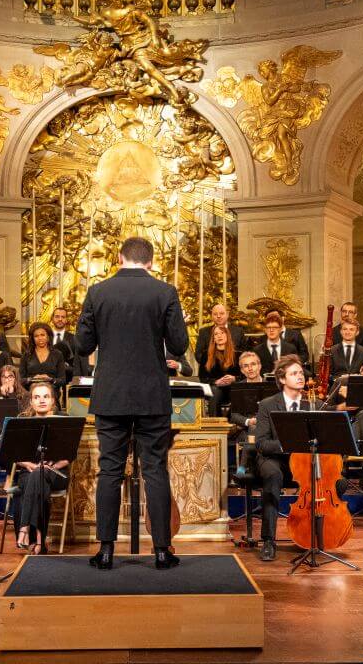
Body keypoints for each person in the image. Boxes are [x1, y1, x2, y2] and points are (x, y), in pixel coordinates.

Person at [76, 236, 188, 571]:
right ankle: (162, 550)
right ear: (150, 262)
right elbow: (179, 345)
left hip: (111, 394)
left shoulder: (98, 292)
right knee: (155, 469)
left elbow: (82, 345)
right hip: (152, 394)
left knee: (110, 470)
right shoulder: (165, 292)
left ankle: (106, 550)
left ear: (119, 257)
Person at [252, 356, 323, 561]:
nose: (300, 377)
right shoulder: (268, 405)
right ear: (282, 379)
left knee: (339, 482)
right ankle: (268, 540)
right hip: (275, 459)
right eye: (294, 374)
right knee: (273, 475)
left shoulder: (315, 404)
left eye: (301, 373)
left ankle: (313, 536)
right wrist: (288, 444)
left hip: (304, 460)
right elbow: (261, 443)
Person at [10, 381, 71, 555]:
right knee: (38, 478)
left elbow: (69, 456)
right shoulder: (23, 422)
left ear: (53, 400)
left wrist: (53, 466)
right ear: (31, 401)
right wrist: (28, 464)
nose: (41, 400)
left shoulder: (64, 421)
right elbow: (14, 454)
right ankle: (39, 540)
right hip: (29, 472)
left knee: (40, 475)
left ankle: (24, 528)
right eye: (37, 397)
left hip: (56, 473)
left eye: (46, 396)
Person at [199, 324, 241, 414]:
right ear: (213, 338)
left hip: (233, 388)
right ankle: (214, 421)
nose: (219, 336)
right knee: (215, 391)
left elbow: (245, 376)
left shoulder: (238, 355)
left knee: (238, 392)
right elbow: (202, 378)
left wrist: (234, 379)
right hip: (215, 388)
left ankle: (232, 420)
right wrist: (216, 382)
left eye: (222, 333)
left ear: (227, 336)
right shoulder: (206, 355)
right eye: (216, 334)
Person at [193, 303, 247, 373]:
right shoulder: (204, 332)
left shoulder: (238, 331)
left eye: (221, 313)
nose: (218, 316)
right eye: (215, 314)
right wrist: (212, 366)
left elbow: (244, 352)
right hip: (211, 372)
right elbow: (198, 354)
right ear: (211, 316)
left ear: (227, 315)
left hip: (234, 372)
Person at [20, 321, 69, 393]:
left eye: (42, 335)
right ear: (32, 338)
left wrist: (50, 379)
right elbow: (20, 380)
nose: (40, 338)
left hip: (52, 393)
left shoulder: (57, 354)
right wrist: (32, 379)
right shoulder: (26, 355)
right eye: (36, 336)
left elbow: (62, 380)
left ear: (48, 336)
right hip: (32, 393)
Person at [228, 351, 267, 431]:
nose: (250, 369)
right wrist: (248, 421)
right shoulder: (238, 387)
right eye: (246, 366)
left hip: (267, 425)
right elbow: (234, 415)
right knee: (253, 428)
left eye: (253, 364)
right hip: (247, 428)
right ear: (242, 370)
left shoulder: (270, 386)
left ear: (259, 366)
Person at [328, 319, 363, 387]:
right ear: (341, 331)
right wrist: (339, 380)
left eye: (351, 329)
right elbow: (327, 374)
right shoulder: (331, 351)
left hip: (357, 387)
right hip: (336, 387)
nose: (348, 332)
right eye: (345, 329)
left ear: (357, 332)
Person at [48, 307, 88, 377]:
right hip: (49, 377)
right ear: (52, 319)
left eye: (63, 317)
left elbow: (79, 363)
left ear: (66, 320)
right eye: (57, 317)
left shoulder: (74, 339)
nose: (60, 319)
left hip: (69, 378)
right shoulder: (46, 338)